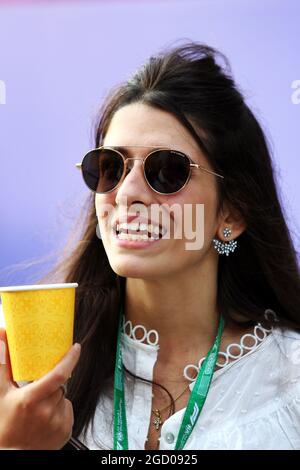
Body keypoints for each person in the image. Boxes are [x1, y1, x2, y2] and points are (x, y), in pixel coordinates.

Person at [0, 41, 300, 450]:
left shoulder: (291, 381)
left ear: (231, 215)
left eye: (166, 170)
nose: (127, 193)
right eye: (109, 167)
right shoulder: (21, 368)